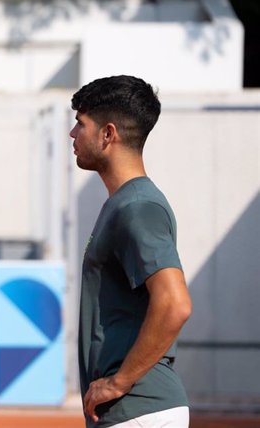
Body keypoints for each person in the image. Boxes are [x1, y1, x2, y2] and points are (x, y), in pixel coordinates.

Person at [70, 75, 192, 427]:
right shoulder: (125, 203)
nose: (72, 134)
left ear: (108, 134)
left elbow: (175, 303)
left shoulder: (138, 207)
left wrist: (119, 382)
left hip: (140, 409)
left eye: (81, 124)